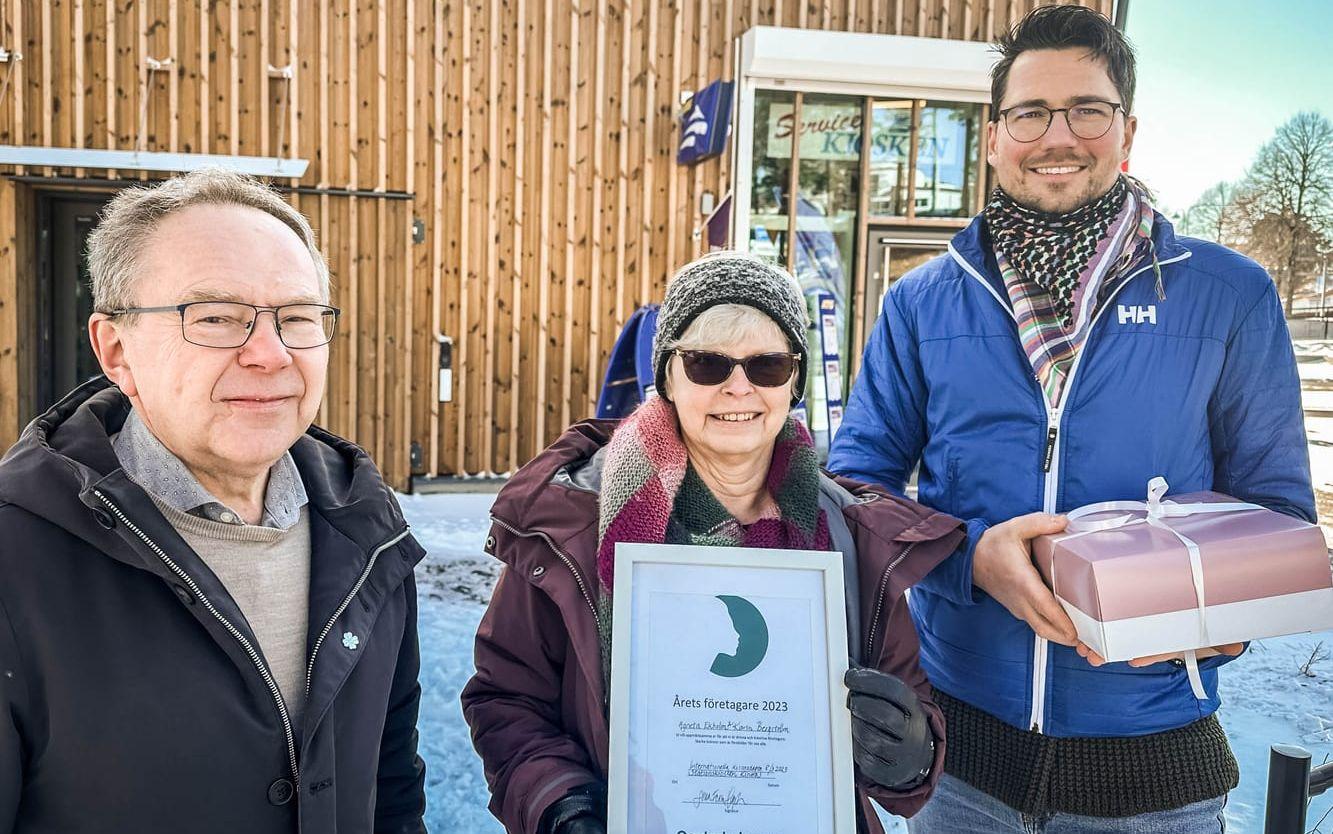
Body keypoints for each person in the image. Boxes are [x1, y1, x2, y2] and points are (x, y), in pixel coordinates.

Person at [829, 6, 1315, 832]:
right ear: (992, 137)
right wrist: (969, 559)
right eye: (1029, 112)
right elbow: (853, 490)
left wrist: (1207, 618)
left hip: (1155, 771)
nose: (1058, 134)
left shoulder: (1227, 294)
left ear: (1126, 132)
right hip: (959, 768)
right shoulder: (920, 302)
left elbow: (1279, 516)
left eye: (1087, 109)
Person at [461, 252, 966, 834]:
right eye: (706, 364)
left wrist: (906, 752)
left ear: (794, 380)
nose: (738, 387)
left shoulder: (850, 536)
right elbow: (506, 698)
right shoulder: (573, 522)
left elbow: (908, 719)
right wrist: (561, 803)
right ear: (668, 377)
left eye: (767, 366)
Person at [0, 169, 428, 833]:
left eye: (296, 317)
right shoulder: (15, 558)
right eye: (216, 318)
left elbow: (391, 791)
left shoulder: (366, 535)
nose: (270, 353)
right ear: (116, 349)